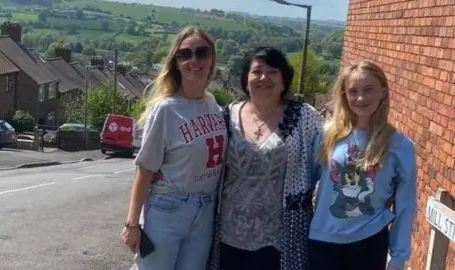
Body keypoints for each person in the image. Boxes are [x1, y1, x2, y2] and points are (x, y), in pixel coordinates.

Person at [120, 25, 227, 270]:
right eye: (185, 54)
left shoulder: (213, 106)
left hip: (205, 213)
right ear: (175, 62)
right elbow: (145, 170)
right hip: (168, 209)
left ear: (212, 59)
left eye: (202, 52)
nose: (194, 60)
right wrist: (133, 225)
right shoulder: (166, 110)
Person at [208, 46, 323, 270]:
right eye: (257, 72)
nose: (264, 78)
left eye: (273, 72)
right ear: (246, 79)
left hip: (280, 237)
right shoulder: (226, 116)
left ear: (284, 80)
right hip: (227, 234)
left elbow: (329, 165)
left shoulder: (305, 118)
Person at [308, 60, 417, 270]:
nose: (360, 98)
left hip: (369, 242)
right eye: (353, 91)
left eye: (368, 90)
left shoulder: (400, 146)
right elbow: (307, 185)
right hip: (323, 241)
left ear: (383, 92)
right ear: (344, 95)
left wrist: (398, 257)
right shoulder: (328, 134)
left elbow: (406, 205)